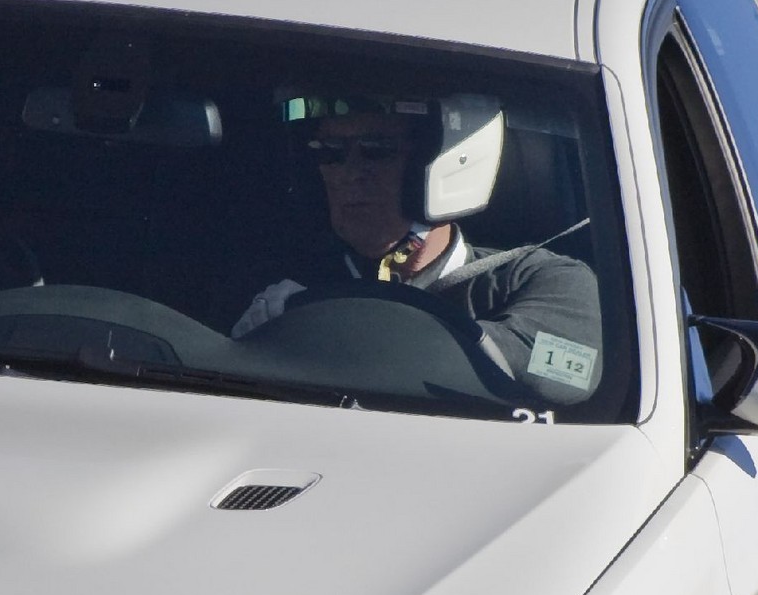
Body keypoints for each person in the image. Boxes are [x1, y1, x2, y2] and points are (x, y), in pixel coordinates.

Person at [231, 98, 604, 407]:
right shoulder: (282, 280)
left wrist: (307, 329)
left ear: (442, 164)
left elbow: (568, 375)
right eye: (330, 154)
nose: (349, 174)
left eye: (377, 151)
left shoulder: (542, 278)